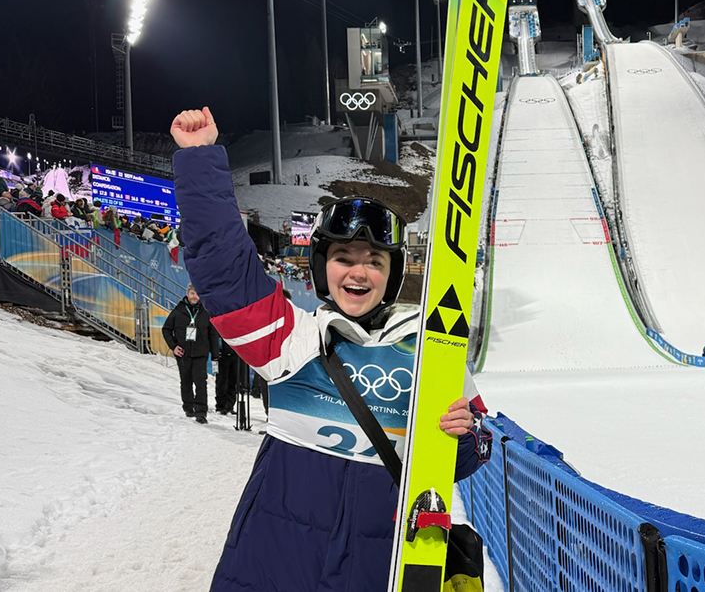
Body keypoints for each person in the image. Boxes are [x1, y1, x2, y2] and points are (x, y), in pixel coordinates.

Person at [169, 107, 490, 591]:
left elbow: (472, 450)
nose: (358, 274)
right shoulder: (291, 338)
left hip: (378, 559)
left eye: (374, 262)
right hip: (275, 557)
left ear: (391, 273)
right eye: (343, 258)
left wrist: (463, 436)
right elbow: (224, 270)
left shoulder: (429, 353)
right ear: (322, 268)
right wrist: (199, 162)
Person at [161, 284, 220, 423]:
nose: (195, 297)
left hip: (201, 353)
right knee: (186, 381)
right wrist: (174, 346)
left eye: (197, 294)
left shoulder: (206, 311)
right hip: (183, 354)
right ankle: (188, 407)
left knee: (200, 382)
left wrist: (215, 354)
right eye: (192, 293)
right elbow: (166, 330)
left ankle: (201, 412)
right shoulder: (178, 311)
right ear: (187, 294)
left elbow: (213, 334)